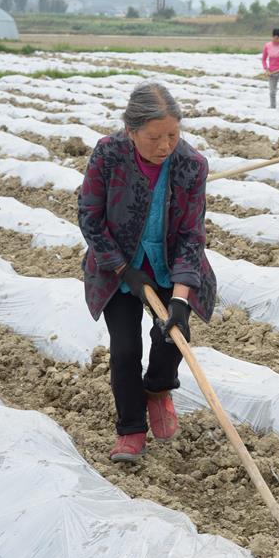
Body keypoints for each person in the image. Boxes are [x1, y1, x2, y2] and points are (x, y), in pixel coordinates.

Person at [78, 82, 216, 463]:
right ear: (131, 130)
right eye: (154, 137)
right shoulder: (109, 155)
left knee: (172, 338)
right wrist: (125, 270)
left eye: (172, 135)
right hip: (117, 268)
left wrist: (180, 298)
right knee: (124, 350)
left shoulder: (192, 165)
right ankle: (131, 431)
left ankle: (157, 390)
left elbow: (191, 235)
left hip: (169, 268)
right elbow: (89, 216)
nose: (165, 146)